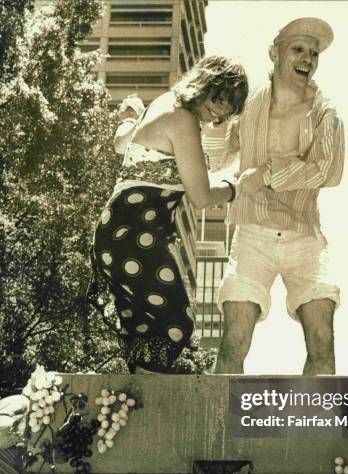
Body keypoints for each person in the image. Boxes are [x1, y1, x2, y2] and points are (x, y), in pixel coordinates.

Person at [91, 56, 248, 373]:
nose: (219, 112)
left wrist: (130, 117)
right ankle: (144, 398)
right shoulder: (183, 119)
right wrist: (236, 188)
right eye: (220, 99)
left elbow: (122, 144)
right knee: (176, 324)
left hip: (116, 233)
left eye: (227, 110)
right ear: (206, 82)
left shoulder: (163, 104)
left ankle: (132, 402)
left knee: (144, 331)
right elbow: (201, 197)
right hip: (135, 234)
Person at [210, 18, 345, 375]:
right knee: (233, 341)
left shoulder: (325, 113)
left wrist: (268, 174)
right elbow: (218, 154)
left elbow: (328, 170)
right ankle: (220, 429)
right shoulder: (248, 104)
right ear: (275, 53)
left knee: (322, 340)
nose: (307, 59)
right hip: (252, 233)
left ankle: (313, 426)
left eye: (314, 53)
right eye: (298, 49)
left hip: (304, 237)